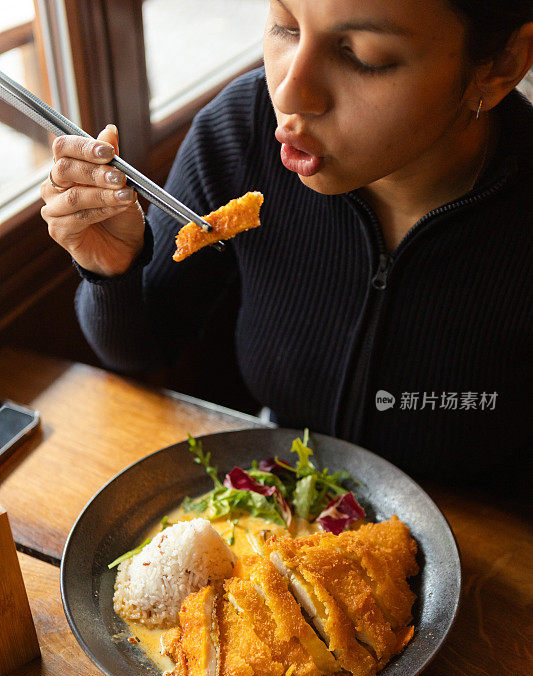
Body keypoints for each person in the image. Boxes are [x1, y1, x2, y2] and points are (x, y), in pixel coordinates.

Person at [40, 0, 533, 492]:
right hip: (287, 501)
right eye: (285, 25)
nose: (291, 91)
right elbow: (145, 342)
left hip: (489, 526)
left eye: (364, 55)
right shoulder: (241, 133)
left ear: (500, 66)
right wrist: (111, 270)